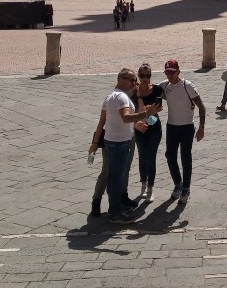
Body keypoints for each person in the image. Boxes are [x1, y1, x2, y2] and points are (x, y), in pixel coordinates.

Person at [88, 69, 160, 224]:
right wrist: (146, 114)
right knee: (115, 177)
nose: (135, 84)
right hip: (119, 143)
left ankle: (117, 205)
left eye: (136, 81)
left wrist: (95, 143)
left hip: (111, 141)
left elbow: (106, 121)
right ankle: (114, 212)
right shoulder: (121, 97)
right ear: (121, 79)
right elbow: (125, 117)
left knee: (115, 176)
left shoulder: (111, 95)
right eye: (132, 80)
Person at [160, 59, 206, 204]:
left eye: (172, 73)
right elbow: (147, 90)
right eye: (167, 73)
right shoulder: (164, 85)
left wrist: (201, 127)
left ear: (178, 72)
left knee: (186, 157)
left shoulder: (188, 86)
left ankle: (186, 188)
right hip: (171, 126)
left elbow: (201, 106)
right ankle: (178, 184)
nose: (169, 76)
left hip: (186, 126)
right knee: (170, 155)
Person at [133, 63, 164, 202]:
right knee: (142, 157)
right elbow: (139, 113)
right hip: (139, 127)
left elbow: (173, 97)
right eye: (143, 76)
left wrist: (190, 103)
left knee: (151, 158)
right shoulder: (134, 92)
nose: (146, 78)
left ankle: (150, 188)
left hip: (154, 128)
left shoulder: (157, 89)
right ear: (138, 76)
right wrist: (139, 96)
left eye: (148, 75)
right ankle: (143, 185)